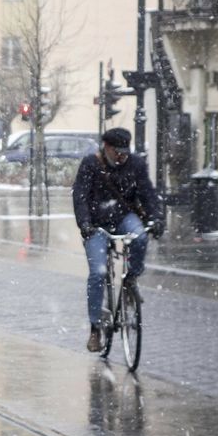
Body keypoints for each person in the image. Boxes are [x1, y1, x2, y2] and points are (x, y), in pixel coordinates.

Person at [72, 127, 164, 352]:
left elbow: (147, 193)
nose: (122, 156)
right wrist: (85, 225)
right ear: (106, 148)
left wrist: (156, 218)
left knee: (140, 237)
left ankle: (131, 279)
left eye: (125, 151)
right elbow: (80, 197)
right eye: (117, 152)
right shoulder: (90, 165)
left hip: (124, 216)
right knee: (98, 273)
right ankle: (95, 328)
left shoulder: (136, 165)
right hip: (96, 223)